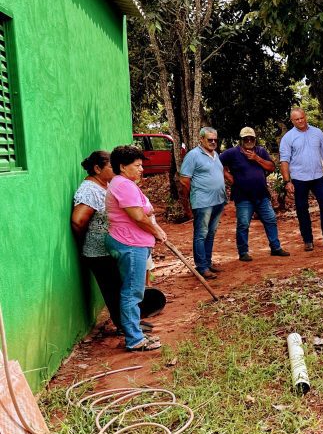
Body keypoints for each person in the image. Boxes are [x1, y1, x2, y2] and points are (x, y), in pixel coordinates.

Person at [106, 145, 167, 352]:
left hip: (132, 243)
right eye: (137, 165)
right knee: (132, 293)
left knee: (132, 291)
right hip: (130, 245)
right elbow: (138, 216)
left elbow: (143, 214)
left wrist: (154, 230)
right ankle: (134, 339)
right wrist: (156, 232)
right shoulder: (123, 185)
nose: (141, 169)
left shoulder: (123, 183)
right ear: (123, 166)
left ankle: (135, 333)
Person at [220, 127, 290, 261]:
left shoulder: (260, 151)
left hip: (261, 194)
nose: (249, 141)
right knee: (243, 224)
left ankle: (275, 247)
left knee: (270, 220)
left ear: (255, 139)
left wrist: (257, 158)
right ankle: (243, 252)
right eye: (245, 139)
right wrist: (228, 176)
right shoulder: (232, 153)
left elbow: (271, 167)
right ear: (241, 140)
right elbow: (217, 162)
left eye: (251, 138)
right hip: (243, 195)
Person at [71, 151, 122, 332]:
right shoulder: (89, 190)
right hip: (97, 251)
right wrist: (86, 241)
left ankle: (127, 324)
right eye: (111, 166)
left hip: (108, 249)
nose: (115, 170)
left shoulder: (104, 185)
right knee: (113, 290)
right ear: (97, 168)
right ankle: (124, 326)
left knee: (118, 287)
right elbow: (78, 221)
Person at [280, 107, 323, 251]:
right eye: (296, 119)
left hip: (318, 177)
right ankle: (308, 241)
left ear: (305, 117)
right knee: (302, 209)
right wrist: (287, 181)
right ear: (292, 121)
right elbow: (284, 161)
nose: (300, 121)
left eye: (302, 118)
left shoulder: (317, 133)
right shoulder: (288, 137)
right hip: (299, 179)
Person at [179, 127, 227, 279]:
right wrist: (188, 202)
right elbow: (184, 180)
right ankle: (201, 267)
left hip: (218, 201)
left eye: (215, 140)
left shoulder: (215, 155)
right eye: (209, 139)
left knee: (211, 233)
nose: (213, 142)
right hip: (203, 202)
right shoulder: (193, 155)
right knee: (201, 234)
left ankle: (207, 262)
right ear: (201, 140)